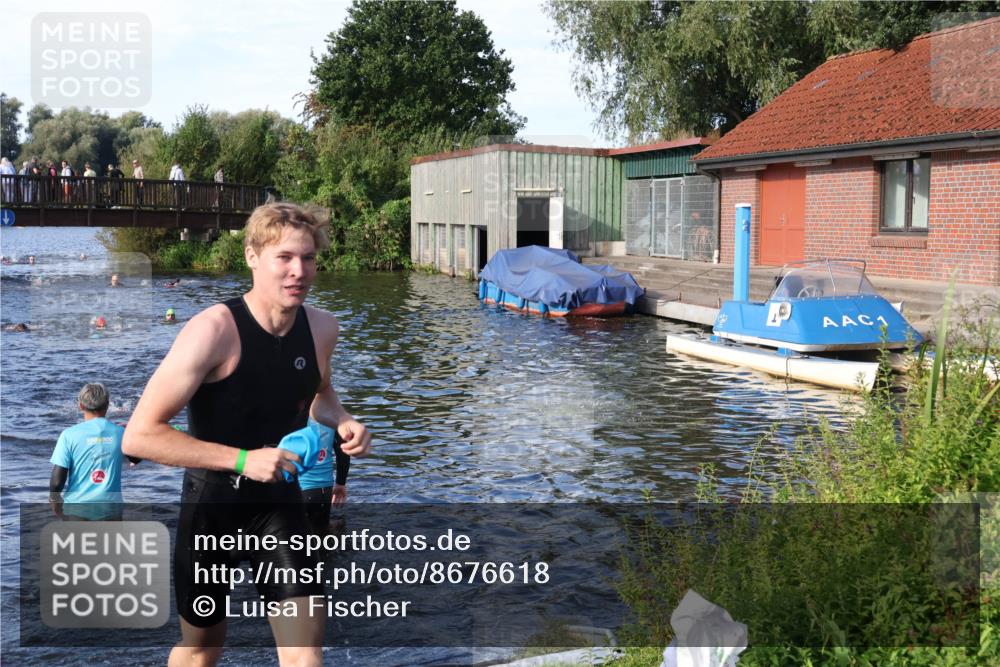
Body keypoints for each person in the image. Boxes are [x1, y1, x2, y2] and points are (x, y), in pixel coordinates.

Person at [123, 202, 371, 666]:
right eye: (284, 258)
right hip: (211, 510)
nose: (300, 270)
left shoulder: (322, 328)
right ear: (252, 256)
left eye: (309, 258)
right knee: (202, 651)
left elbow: (319, 396)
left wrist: (344, 421)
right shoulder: (213, 330)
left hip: (280, 507)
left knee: (306, 655)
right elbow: (138, 436)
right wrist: (242, 460)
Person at [49, 383, 130, 521]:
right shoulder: (121, 433)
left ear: (81, 405)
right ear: (107, 405)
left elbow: (57, 482)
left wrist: (54, 500)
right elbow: (136, 457)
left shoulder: (69, 435)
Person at [295, 419, 350, 536]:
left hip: (299, 490)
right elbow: (344, 452)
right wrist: (340, 483)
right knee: (322, 536)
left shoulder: (291, 412)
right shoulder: (331, 415)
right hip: (325, 492)